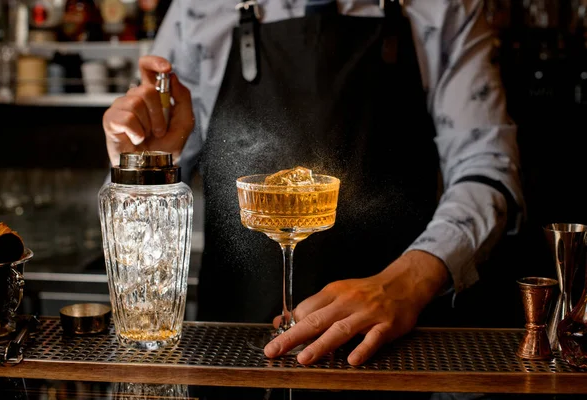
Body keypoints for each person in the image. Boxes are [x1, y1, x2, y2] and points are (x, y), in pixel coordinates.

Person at [102, 0, 525, 368]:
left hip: (393, 350)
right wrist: (147, 164)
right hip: (235, 349)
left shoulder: (447, 8)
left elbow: (488, 172)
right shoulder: (199, 9)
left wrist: (409, 282)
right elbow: (148, 205)